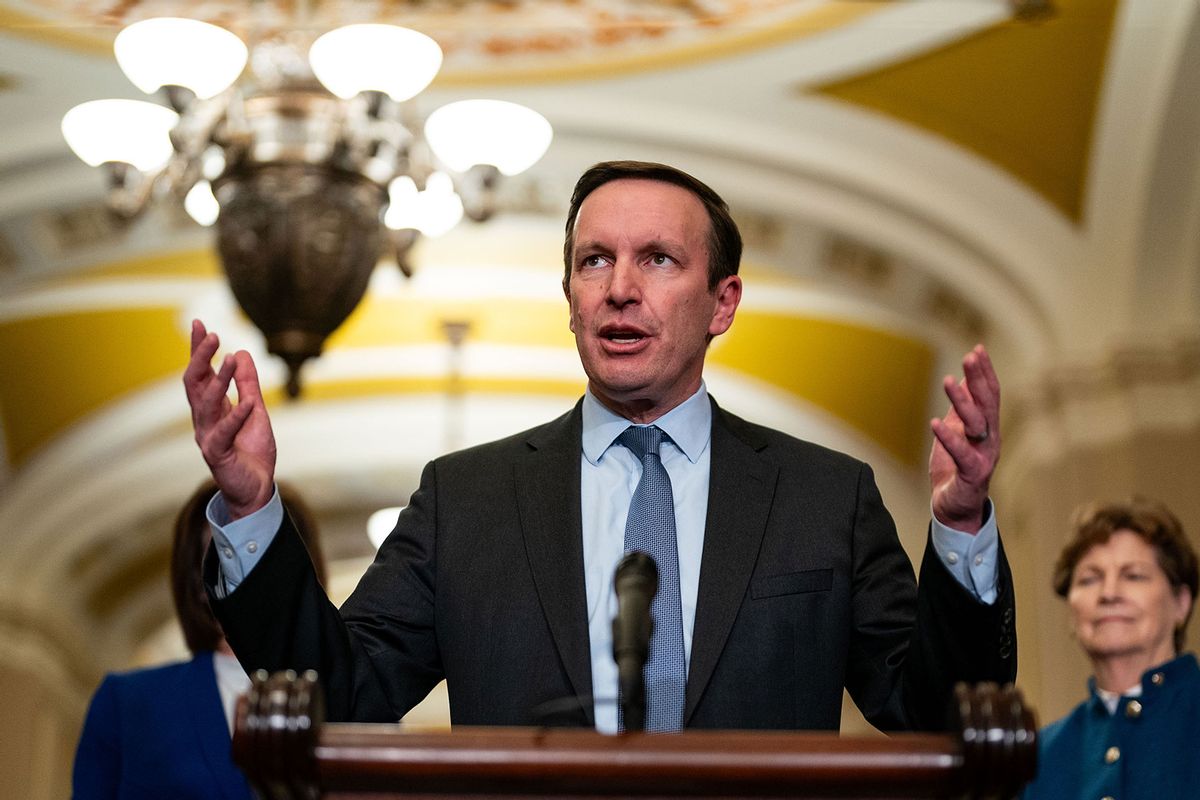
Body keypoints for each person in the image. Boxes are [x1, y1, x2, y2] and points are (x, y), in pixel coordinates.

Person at [187, 160, 1015, 733]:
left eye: (657, 259)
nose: (620, 287)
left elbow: (930, 711)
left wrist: (963, 523)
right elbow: (343, 694)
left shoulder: (823, 498)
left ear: (722, 302)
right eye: (595, 261)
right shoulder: (466, 501)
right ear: (571, 299)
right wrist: (254, 506)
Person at [72, 480, 325, 799]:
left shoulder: (354, 701)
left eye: (261, 547)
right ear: (196, 581)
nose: (248, 570)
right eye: (226, 552)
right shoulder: (128, 703)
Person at [1022, 498, 1199, 799]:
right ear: (1071, 612)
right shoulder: (1040, 757)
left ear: (1181, 603)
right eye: (1090, 579)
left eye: (1134, 576)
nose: (1109, 593)